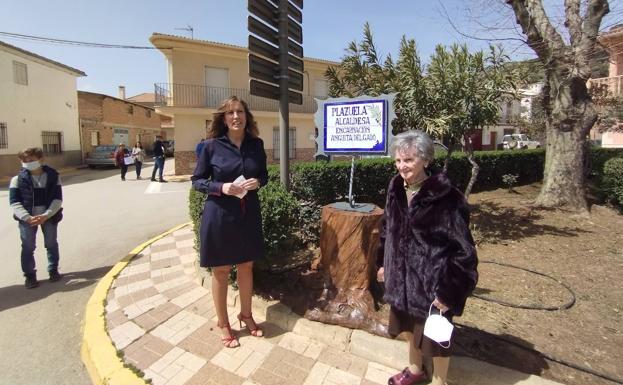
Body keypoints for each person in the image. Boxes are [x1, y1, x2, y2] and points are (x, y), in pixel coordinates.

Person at [377, 130, 478, 385]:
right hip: (401, 278)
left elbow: (464, 251)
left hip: (433, 284)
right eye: (398, 160)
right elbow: (387, 228)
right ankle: (415, 370)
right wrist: (383, 263)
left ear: (425, 160)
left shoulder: (447, 197)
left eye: (409, 160)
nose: (402, 167)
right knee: (410, 328)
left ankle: (440, 381)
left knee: (436, 339)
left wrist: (449, 291)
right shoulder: (396, 187)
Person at [191, 96, 268, 348]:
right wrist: (222, 187)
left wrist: (258, 182)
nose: (236, 116)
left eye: (240, 111)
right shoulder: (210, 146)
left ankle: (246, 315)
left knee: (246, 266)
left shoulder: (256, 144)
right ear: (223, 119)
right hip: (220, 215)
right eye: (230, 113)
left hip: (248, 214)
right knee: (221, 271)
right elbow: (197, 181)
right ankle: (224, 323)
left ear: (247, 116)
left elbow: (264, 175)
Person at [9, 147, 63, 288]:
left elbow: (57, 199)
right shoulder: (17, 180)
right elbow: (14, 202)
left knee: (51, 244)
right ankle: (30, 276)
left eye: (31, 160)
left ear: (41, 159)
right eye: (24, 160)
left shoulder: (53, 176)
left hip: (49, 217)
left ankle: (53, 270)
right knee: (28, 247)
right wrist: (27, 217)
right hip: (27, 220)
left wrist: (45, 215)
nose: (27, 163)